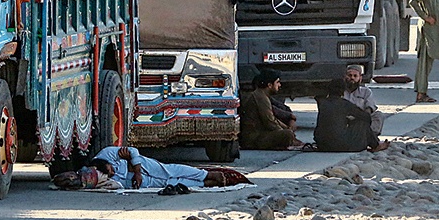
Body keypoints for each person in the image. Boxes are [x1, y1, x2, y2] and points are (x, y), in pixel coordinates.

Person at [91, 146, 226, 189]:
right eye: (110, 174)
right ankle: (205, 184)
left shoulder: (106, 153)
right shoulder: (97, 175)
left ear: (105, 162)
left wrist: (137, 172)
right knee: (169, 184)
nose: (113, 172)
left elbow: (132, 151)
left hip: (140, 166)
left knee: (171, 171)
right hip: (133, 181)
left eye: (111, 169)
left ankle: (207, 175)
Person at [314, 78, 388, 152]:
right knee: (362, 123)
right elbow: (366, 117)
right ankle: (376, 145)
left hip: (322, 145)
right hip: (341, 145)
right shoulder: (344, 104)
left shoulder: (322, 103)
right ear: (343, 91)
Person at [239, 69, 304, 149]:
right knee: (287, 134)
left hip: (257, 134)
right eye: (277, 82)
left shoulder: (263, 95)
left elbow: (276, 114)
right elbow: (270, 122)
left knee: (287, 131)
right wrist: (287, 132)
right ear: (269, 85)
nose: (279, 85)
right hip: (254, 138)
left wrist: (287, 127)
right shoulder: (261, 97)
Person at [343, 64, 385, 136]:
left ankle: (371, 136)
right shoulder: (340, 90)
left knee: (378, 115)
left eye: (355, 76)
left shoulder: (366, 91)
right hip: (343, 119)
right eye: (350, 75)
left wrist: (362, 116)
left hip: (361, 119)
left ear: (360, 78)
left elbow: (370, 107)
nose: (352, 78)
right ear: (345, 77)